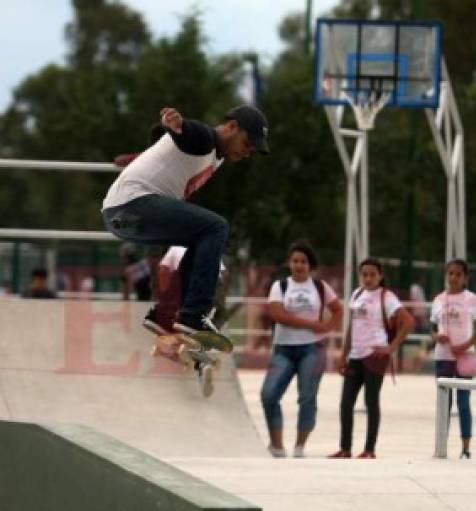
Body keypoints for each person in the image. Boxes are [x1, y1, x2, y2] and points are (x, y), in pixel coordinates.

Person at [101, 104, 269, 336]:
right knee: (216, 227)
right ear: (231, 127)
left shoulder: (214, 157)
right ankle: (193, 316)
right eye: (247, 143)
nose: (247, 152)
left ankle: (165, 315)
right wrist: (178, 124)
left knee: (200, 237)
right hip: (134, 205)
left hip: (120, 215)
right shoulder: (206, 139)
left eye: (253, 150)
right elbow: (190, 132)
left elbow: (163, 152)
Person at [261, 242, 343, 459]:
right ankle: (277, 445)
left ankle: (300, 446)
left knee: (307, 397)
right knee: (269, 395)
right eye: (295, 261)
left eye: (303, 262)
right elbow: (278, 315)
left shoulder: (320, 287)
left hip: (312, 349)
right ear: (289, 263)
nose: (299, 265)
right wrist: (311, 324)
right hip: (284, 349)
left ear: (310, 265)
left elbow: (338, 309)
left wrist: (328, 327)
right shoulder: (280, 286)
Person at [331, 259, 413, 459]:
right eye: (364, 274)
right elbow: (352, 326)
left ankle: (369, 449)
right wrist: (344, 354)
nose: (368, 278)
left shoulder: (386, 297)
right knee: (346, 403)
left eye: (372, 275)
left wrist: (391, 348)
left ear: (380, 276)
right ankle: (345, 448)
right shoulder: (357, 294)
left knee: (371, 401)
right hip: (355, 355)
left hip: (375, 355)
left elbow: (408, 321)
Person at [431, 259, 476, 459]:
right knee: (444, 403)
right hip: (443, 357)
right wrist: (437, 337)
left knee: (463, 403)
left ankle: (465, 448)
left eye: (458, 274)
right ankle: (440, 444)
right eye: (450, 273)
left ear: (465, 278)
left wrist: (464, 346)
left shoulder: (472, 299)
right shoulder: (438, 300)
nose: (453, 278)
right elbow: (432, 328)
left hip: (464, 357)